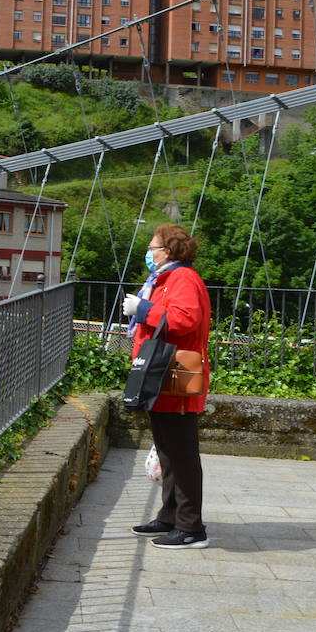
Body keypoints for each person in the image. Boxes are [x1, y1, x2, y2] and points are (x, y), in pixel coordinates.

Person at [122, 223, 212, 549]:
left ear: (168, 251)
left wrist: (141, 309)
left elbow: (185, 319)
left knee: (181, 450)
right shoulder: (168, 279)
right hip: (170, 367)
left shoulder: (183, 278)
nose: (148, 252)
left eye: (152, 247)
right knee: (167, 447)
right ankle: (171, 515)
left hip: (179, 367)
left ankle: (191, 527)